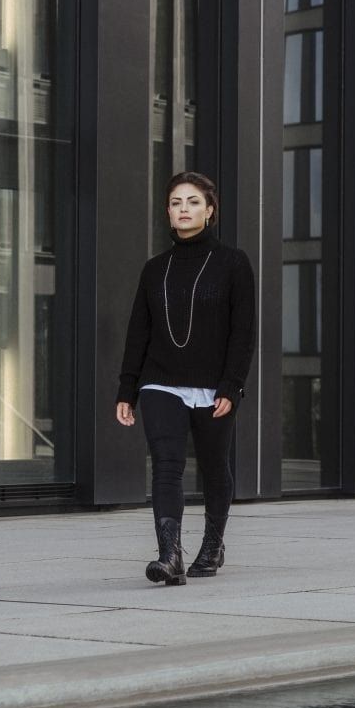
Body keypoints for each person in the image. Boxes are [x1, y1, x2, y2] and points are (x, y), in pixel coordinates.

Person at [116, 171, 256, 585]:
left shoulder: (233, 263)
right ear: (168, 212)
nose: (184, 209)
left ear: (210, 211)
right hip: (160, 380)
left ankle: (213, 545)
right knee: (166, 463)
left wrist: (232, 384)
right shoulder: (154, 269)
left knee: (214, 465)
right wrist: (127, 389)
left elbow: (243, 332)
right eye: (176, 202)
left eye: (193, 202)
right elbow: (138, 332)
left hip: (214, 385)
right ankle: (170, 556)